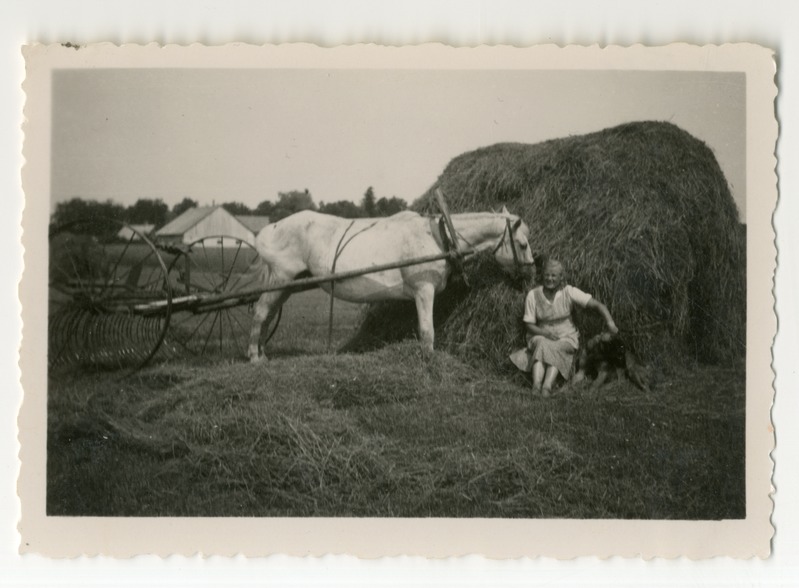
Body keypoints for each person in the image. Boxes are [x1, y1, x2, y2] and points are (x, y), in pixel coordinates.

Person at [510, 259, 618, 398]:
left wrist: (610, 323)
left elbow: (597, 305)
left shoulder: (569, 292)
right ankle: (536, 386)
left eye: (554, 275)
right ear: (542, 275)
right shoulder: (533, 295)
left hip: (566, 336)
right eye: (547, 275)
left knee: (556, 346)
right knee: (543, 343)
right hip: (540, 333)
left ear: (561, 277)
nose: (550, 279)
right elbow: (529, 325)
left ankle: (547, 386)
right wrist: (545, 333)